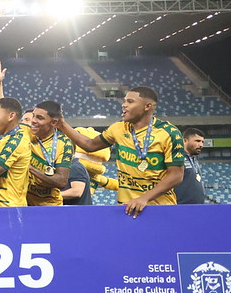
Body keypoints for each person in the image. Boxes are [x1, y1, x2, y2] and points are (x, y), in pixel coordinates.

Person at [56, 86, 185, 217]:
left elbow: (176, 175)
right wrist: (62, 124)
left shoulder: (169, 133)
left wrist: (144, 198)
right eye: (124, 101)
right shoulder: (118, 128)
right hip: (126, 208)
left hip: (159, 208)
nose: (124, 105)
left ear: (147, 106)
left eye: (130, 101)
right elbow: (90, 145)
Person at [26, 101, 73, 206]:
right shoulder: (24, 132)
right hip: (24, 203)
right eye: (33, 116)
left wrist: (29, 167)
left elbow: (61, 181)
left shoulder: (64, 143)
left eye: (40, 118)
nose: (33, 121)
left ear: (54, 123)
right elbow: (6, 115)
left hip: (50, 206)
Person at [175, 127, 206, 204]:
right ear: (185, 141)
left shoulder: (194, 159)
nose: (201, 145)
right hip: (181, 207)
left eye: (202, 142)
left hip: (197, 208)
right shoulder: (177, 157)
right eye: (197, 141)